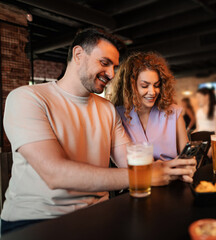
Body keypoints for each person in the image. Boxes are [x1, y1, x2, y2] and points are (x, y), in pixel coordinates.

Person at [1, 29, 195, 235]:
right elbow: (55, 174)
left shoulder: (107, 108)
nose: (111, 74)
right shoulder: (28, 98)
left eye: (114, 67)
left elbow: (130, 161)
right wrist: (145, 177)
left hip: (99, 213)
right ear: (78, 55)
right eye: (104, 63)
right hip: (36, 220)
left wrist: (172, 169)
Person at [109, 51, 196, 183]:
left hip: (172, 183)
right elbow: (121, 164)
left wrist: (190, 165)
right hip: (138, 185)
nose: (152, 92)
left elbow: (186, 156)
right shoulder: (117, 115)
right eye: (144, 86)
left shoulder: (174, 112)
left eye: (156, 85)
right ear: (130, 86)